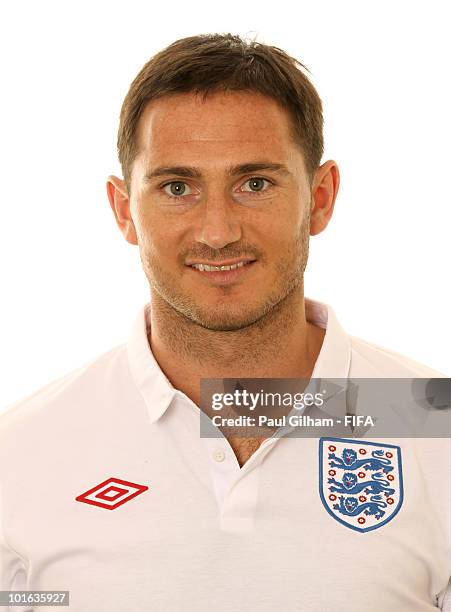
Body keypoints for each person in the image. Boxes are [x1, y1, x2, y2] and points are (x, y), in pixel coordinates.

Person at [0, 33, 450, 612]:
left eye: (254, 183)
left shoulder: (434, 427)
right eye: (177, 187)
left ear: (320, 197)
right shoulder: (21, 453)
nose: (217, 231)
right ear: (123, 210)